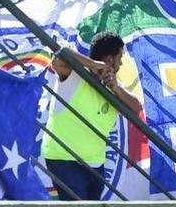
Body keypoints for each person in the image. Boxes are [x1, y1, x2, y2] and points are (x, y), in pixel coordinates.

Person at [40, 31, 143, 202]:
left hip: (96, 164)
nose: (121, 64)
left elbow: (136, 108)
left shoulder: (114, 87)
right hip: (64, 157)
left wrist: (116, 89)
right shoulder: (76, 72)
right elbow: (60, 55)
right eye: (120, 58)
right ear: (110, 59)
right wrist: (93, 64)